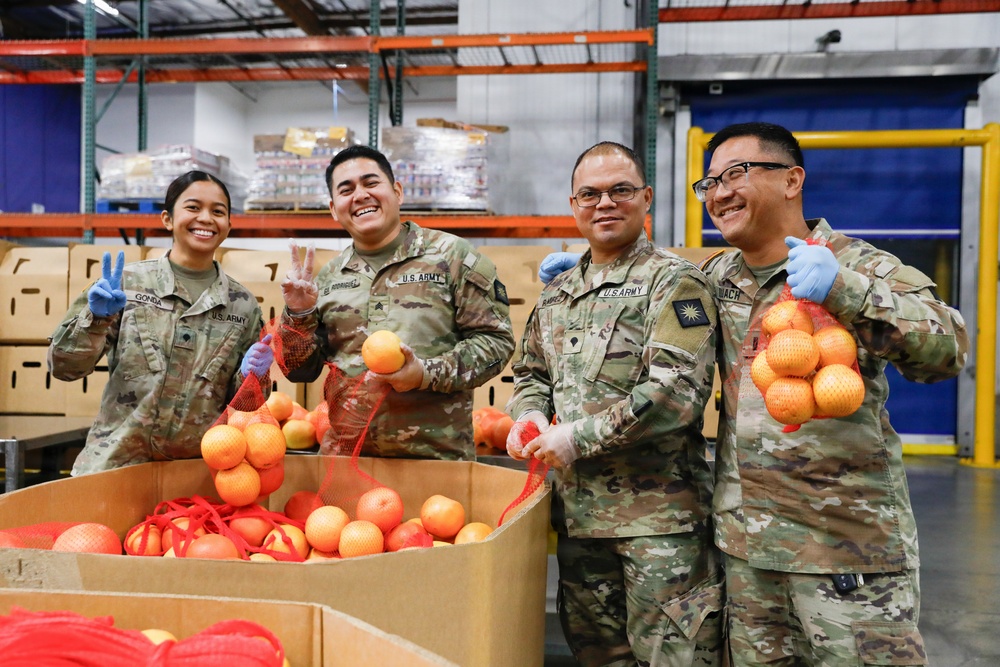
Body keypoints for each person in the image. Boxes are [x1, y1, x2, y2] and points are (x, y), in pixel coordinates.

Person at [690, 121, 968, 665]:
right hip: (748, 556)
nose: (719, 192)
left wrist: (843, 291)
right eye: (709, 182)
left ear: (792, 180)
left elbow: (949, 349)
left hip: (846, 552)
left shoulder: (859, 264)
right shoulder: (717, 278)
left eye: (736, 174)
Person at [506, 141, 723, 666]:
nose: (605, 203)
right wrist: (529, 415)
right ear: (574, 205)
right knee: (599, 657)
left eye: (620, 190)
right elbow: (531, 373)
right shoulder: (559, 294)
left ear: (646, 198)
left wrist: (575, 437)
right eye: (591, 194)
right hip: (581, 525)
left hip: (661, 528)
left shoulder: (675, 283)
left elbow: (676, 395)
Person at [278, 144, 515, 460]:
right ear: (334, 209)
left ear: (398, 192)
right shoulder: (329, 277)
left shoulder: (453, 257)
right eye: (346, 190)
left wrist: (425, 373)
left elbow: (496, 343)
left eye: (371, 183)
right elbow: (298, 372)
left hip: (435, 461)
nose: (360, 195)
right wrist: (298, 314)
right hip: (345, 464)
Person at [49, 170, 273, 475]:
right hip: (117, 463)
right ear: (167, 219)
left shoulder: (242, 305)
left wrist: (253, 379)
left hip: (195, 474)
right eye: (193, 207)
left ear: (229, 225)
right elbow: (63, 368)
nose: (206, 218)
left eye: (218, 211)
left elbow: (244, 407)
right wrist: (96, 320)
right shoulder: (126, 284)